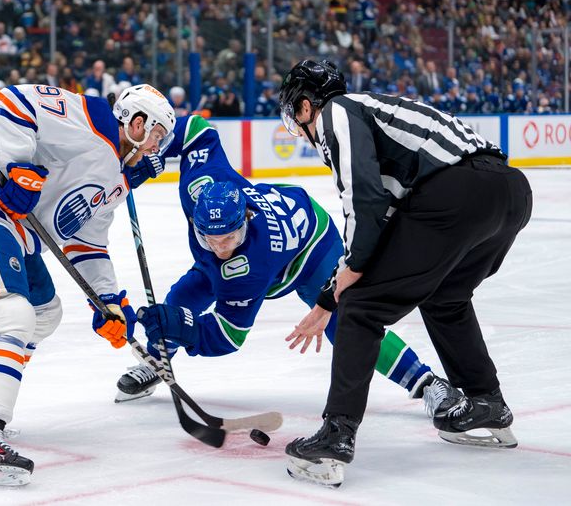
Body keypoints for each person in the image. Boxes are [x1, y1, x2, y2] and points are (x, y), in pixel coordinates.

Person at [278, 59, 531, 486]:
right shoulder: (378, 115)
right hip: (508, 192)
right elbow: (387, 229)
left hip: (455, 195)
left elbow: (366, 206)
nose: (298, 128)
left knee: (361, 308)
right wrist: (326, 297)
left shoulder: (337, 112)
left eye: (293, 117)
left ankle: (337, 434)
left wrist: (350, 279)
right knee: (445, 297)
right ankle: (487, 401)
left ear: (305, 107)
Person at [0, 83, 175, 486]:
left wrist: (108, 300)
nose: (155, 147)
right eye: (155, 135)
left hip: (17, 230)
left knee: (45, 313)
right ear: (135, 122)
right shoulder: (91, 119)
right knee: (13, 315)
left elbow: (87, 243)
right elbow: (10, 100)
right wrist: (19, 166)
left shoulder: (116, 180)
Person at [115, 114, 438, 408]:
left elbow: (229, 336)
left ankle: (426, 383)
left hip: (312, 249)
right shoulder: (201, 185)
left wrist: (184, 330)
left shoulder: (252, 264)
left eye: (229, 238)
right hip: (278, 211)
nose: (220, 249)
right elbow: (194, 129)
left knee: (345, 323)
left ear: (246, 219)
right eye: (209, 239)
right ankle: (158, 361)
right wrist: (141, 149)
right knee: (181, 299)